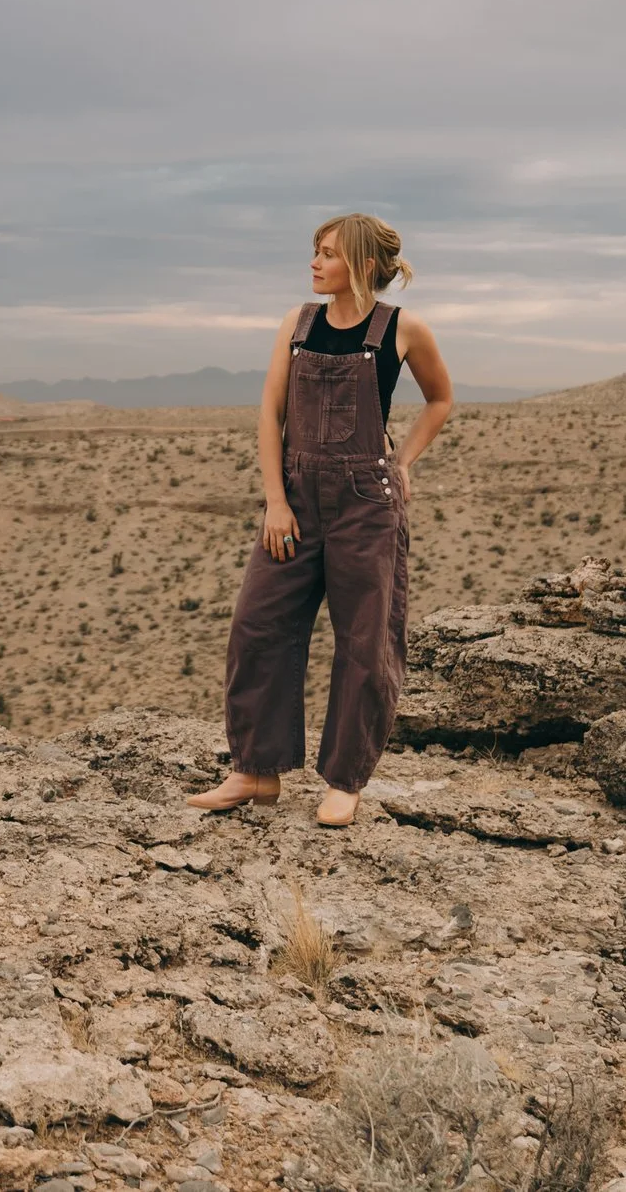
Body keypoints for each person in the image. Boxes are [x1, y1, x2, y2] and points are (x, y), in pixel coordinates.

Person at [187, 212, 453, 826]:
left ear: (361, 265)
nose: (313, 262)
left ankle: (345, 781)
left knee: (365, 642)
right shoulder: (297, 324)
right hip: (297, 497)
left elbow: (441, 398)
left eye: (327, 253)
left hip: (367, 501)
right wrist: (275, 501)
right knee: (259, 625)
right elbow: (270, 413)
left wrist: (403, 459)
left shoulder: (401, 329)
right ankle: (254, 770)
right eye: (314, 250)